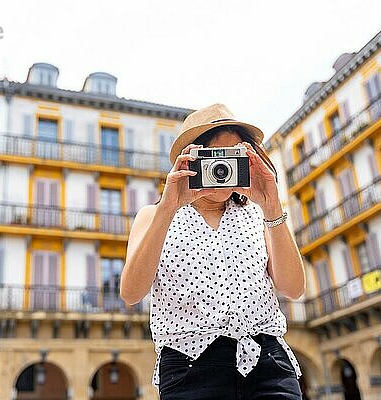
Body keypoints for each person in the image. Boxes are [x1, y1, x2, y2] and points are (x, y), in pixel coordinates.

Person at [120, 103, 306, 399]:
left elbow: (294, 288)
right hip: (189, 368)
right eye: (215, 156)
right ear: (191, 159)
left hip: (267, 361)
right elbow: (131, 293)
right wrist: (168, 208)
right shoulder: (152, 215)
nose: (224, 167)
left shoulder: (261, 215)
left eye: (235, 157)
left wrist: (272, 206)